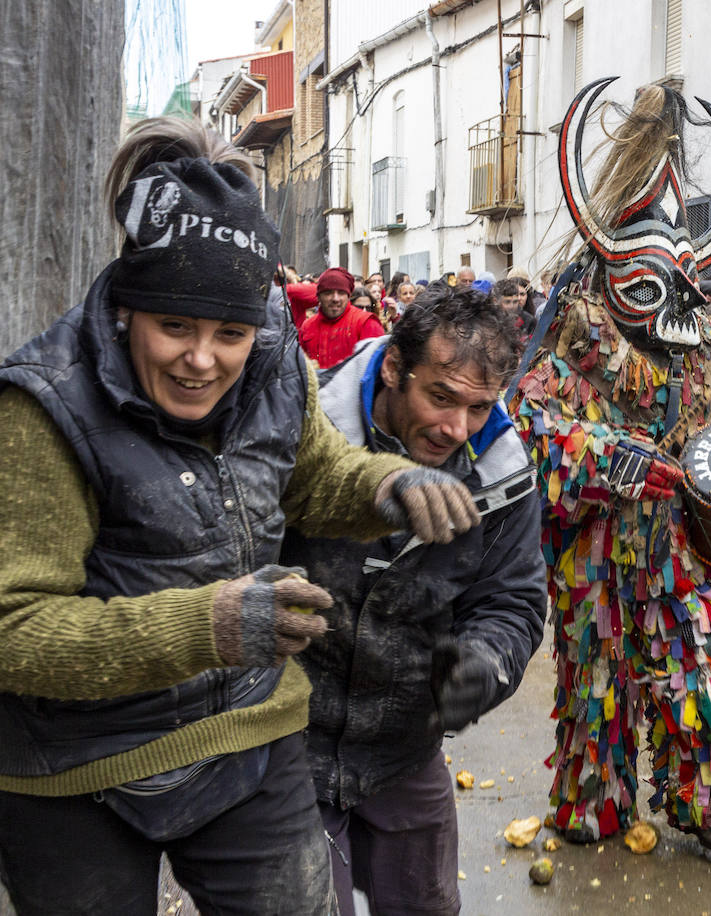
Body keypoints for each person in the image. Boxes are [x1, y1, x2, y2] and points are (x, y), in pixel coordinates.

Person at [0, 117, 483, 913]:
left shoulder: (274, 367)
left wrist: (386, 486)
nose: (202, 360)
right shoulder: (45, 408)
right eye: (175, 327)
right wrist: (212, 627)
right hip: (74, 767)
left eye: (229, 333)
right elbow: (15, 631)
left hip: (246, 735)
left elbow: (314, 477)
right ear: (127, 309)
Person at [509, 79, 711, 855]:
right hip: (603, 555)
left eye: (682, 283)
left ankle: (702, 801)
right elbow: (528, 429)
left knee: (707, 673)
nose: (673, 302)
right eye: (647, 284)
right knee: (597, 686)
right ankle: (595, 801)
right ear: (609, 279)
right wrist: (611, 458)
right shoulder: (576, 339)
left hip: (693, 553)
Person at [287, 284, 544, 915]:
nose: (457, 429)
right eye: (441, 397)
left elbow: (513, 599)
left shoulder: (503, 473)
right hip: (285, 742)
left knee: (428, 905)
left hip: (405, 742)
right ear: (396, 368)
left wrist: (484, 664)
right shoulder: (304, 423)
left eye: (480, 408)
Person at [298, 267, 385, 369]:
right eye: (328, 293)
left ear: (348, 296)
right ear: (319, 296)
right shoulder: (307, 326)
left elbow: (376, 370)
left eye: (341, 293)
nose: (335, 298)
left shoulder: (366, 323)